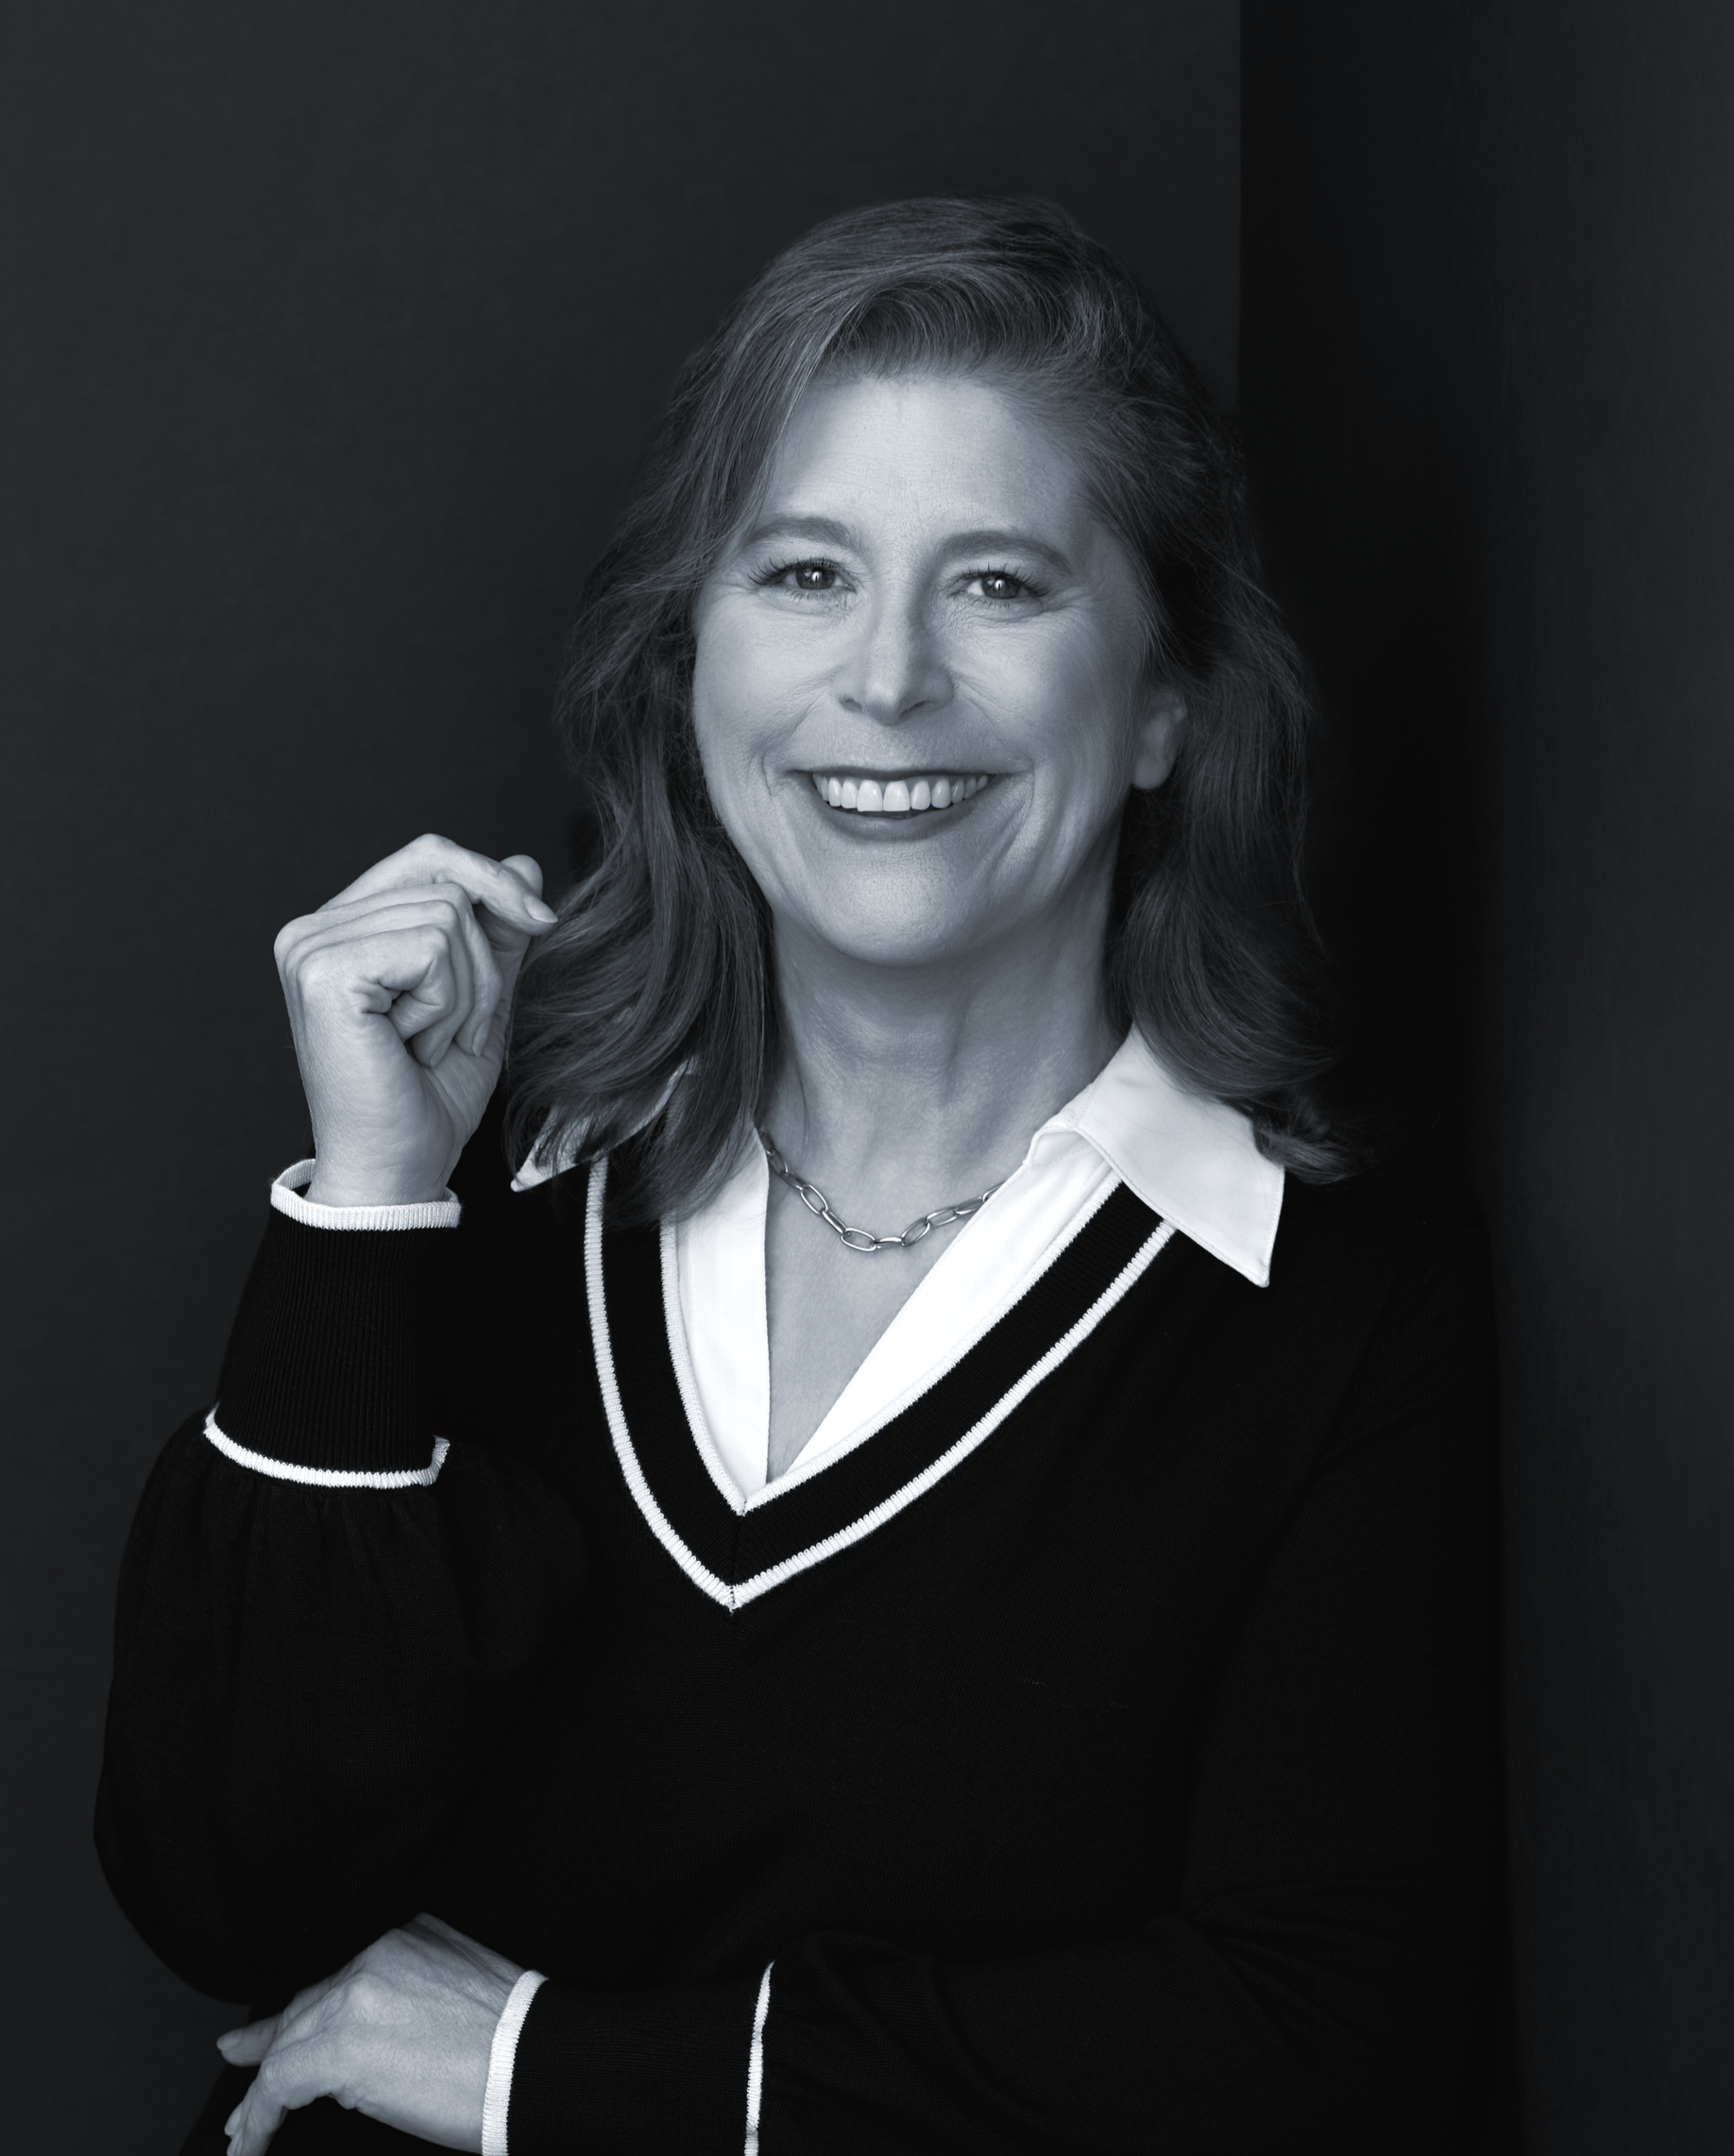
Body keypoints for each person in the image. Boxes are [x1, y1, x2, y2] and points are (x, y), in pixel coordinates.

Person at [96, 197, 1502, 2154]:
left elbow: (1310, 2043)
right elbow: (219, 1888)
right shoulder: (490, 1185)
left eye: (1000, 583)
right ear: (690, 666)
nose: (891, 679)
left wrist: (546, 2069)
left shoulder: (1335, 1303)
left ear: (1171, 695)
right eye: (805, 575)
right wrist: (370, 1214)